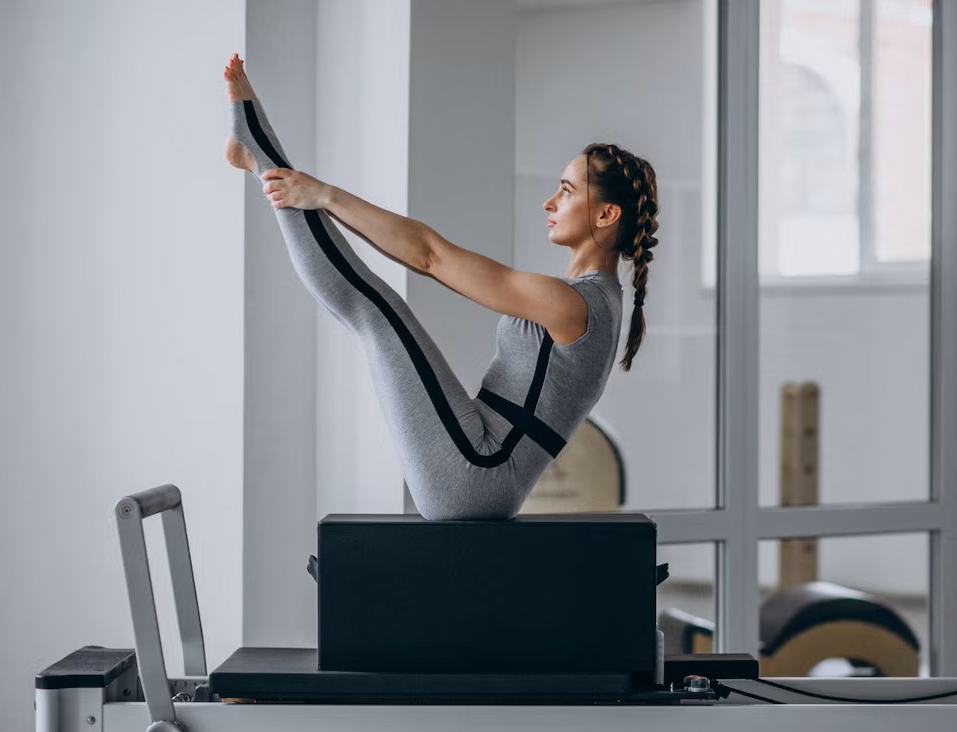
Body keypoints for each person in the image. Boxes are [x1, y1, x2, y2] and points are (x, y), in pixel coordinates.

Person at [222, 53, 658, 520]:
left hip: (477, 469)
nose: (549, 201)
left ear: (606, 215)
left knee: (375, 310)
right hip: (482, 463)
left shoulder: (577, 305)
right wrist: (319, 198)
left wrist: (323, 195)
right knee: (375, 308)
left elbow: (429, 256)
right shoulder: (597, 300)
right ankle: (258, 157)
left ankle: (260, 153)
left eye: (568, 191)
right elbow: (423, 256)